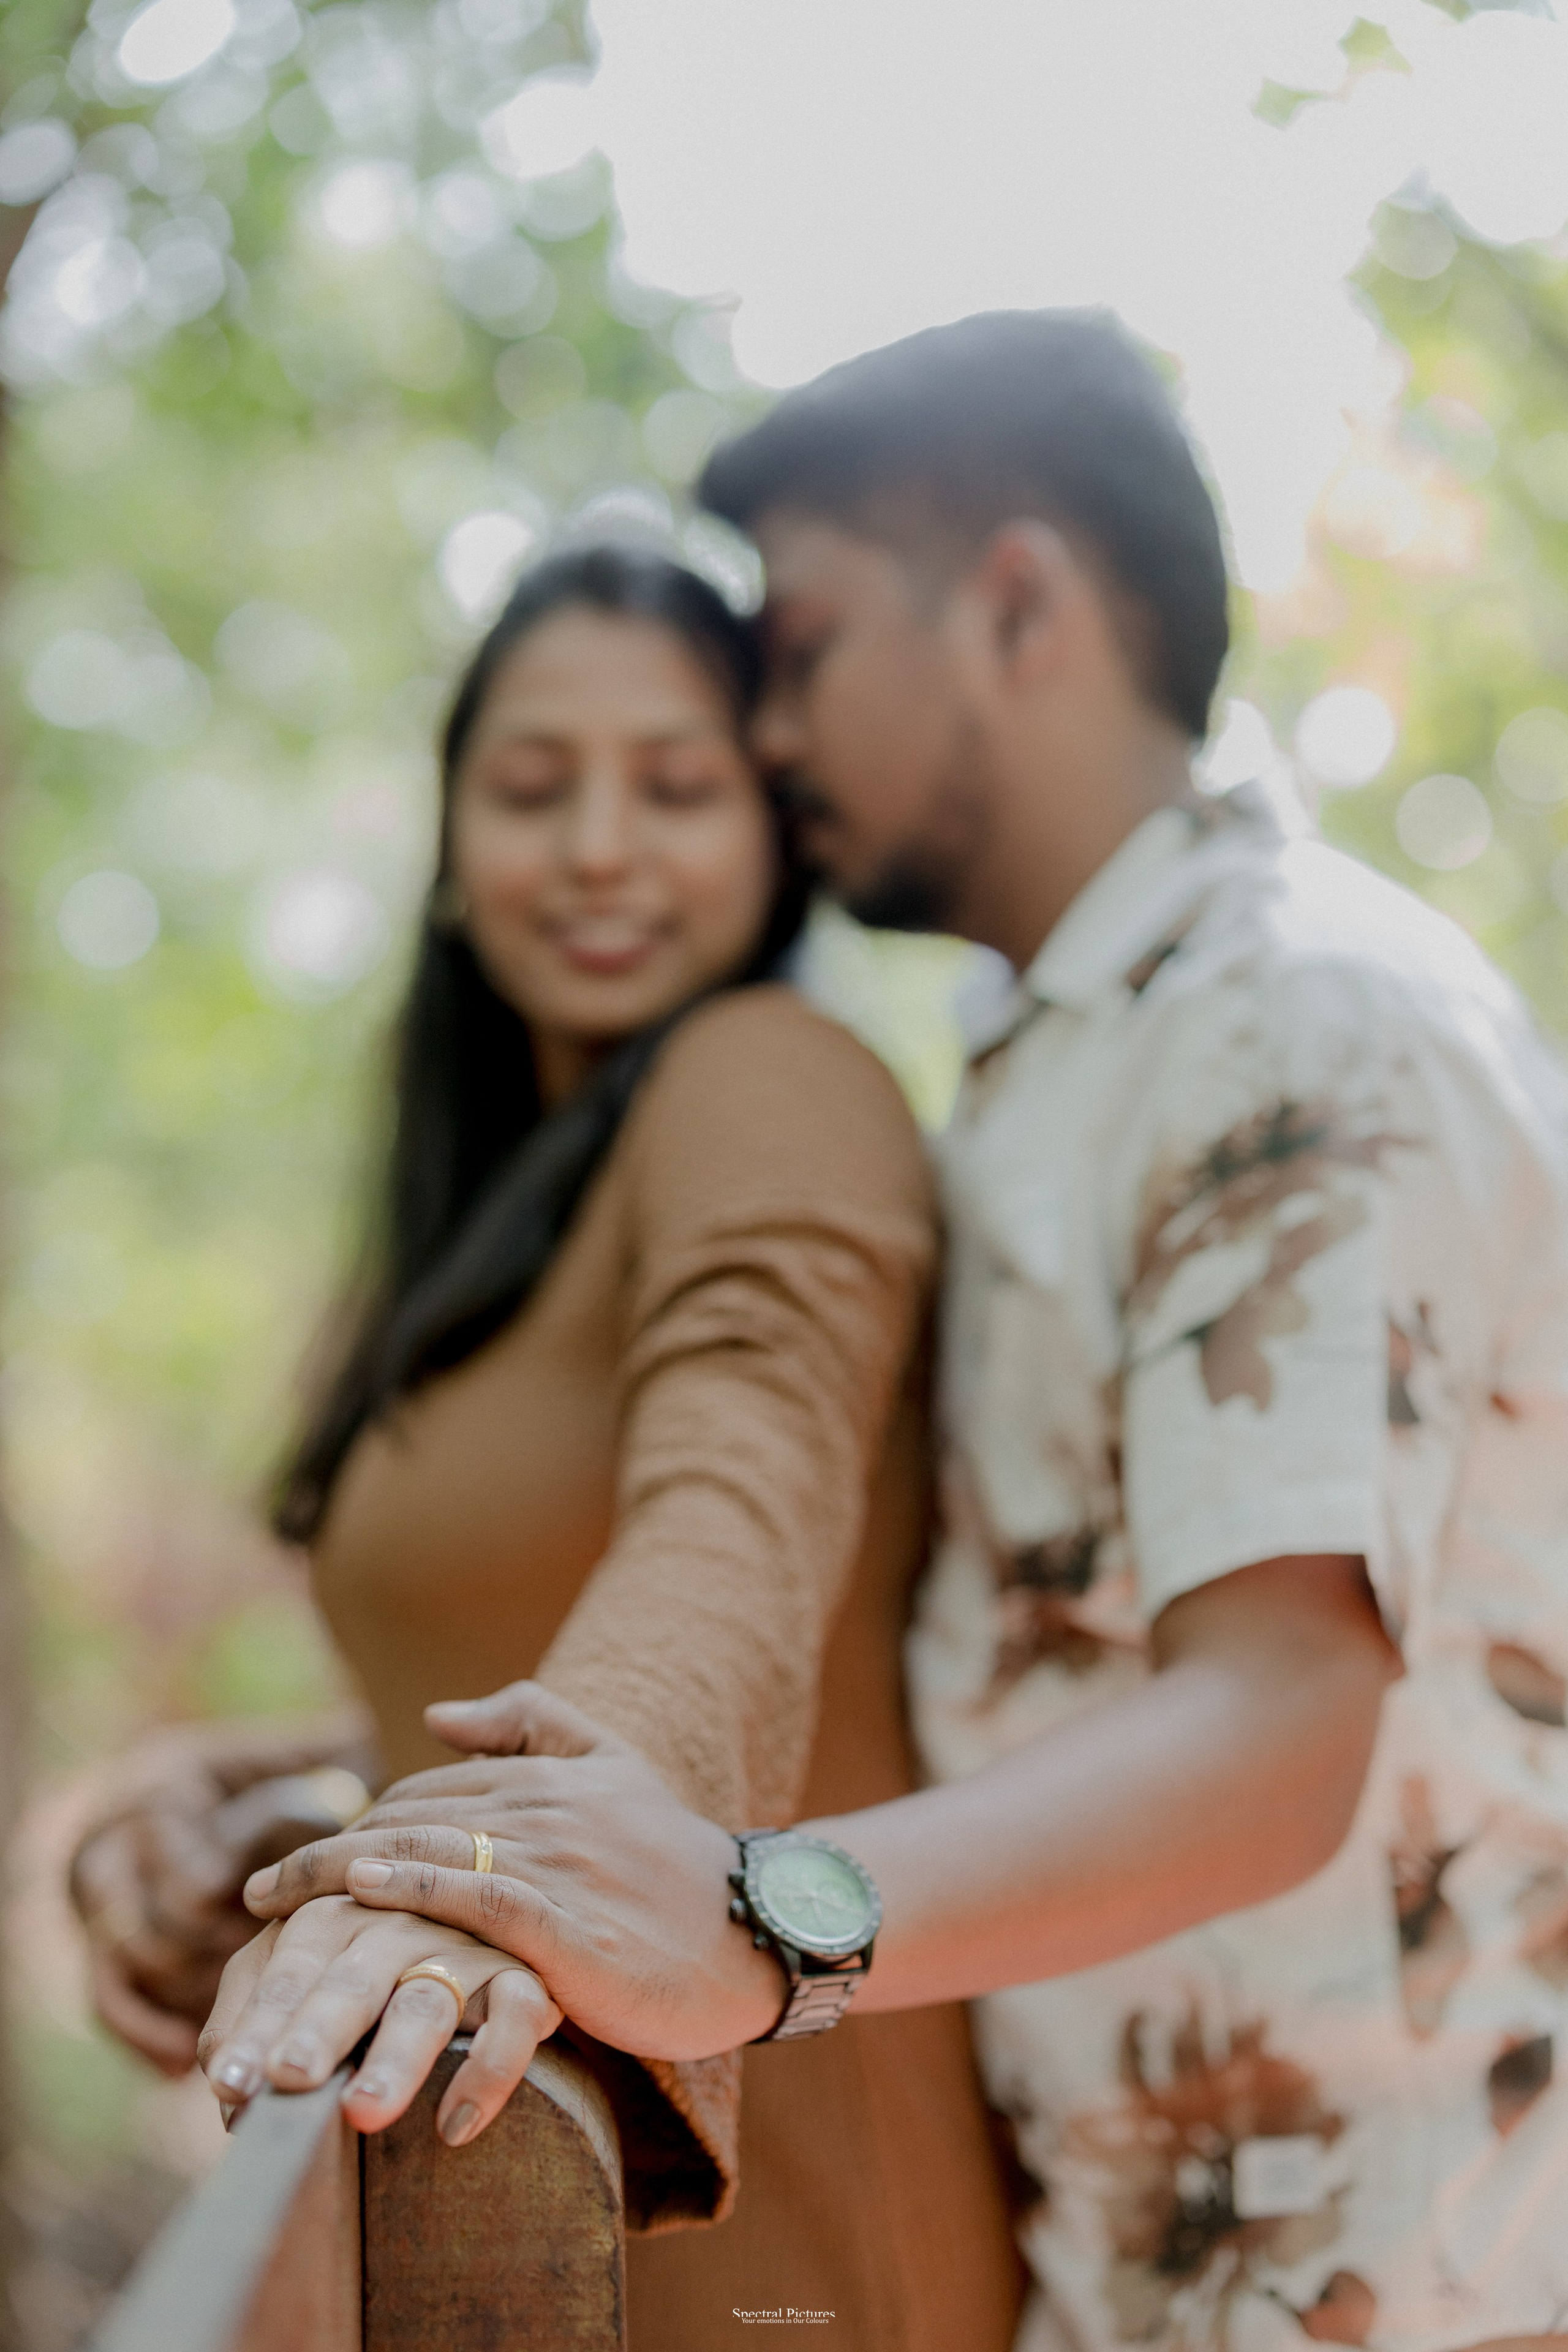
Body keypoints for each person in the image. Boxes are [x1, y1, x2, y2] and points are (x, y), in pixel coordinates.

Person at [230, 312, 1568, 2351]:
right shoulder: (1054, 1064)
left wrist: (752, 1916)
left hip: (1409, 2276)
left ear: (1017, 605)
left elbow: (1279, 1723)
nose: (772, 738)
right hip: (1149, 2268)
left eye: (806, 654)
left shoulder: (1295, 1014)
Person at [73, 543, 1024, 2351]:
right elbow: (492, 1647)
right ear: (453, 845)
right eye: (531, 788)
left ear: (777, 840)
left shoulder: (770, 1073)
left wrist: (519, 1859)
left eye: (675, 788)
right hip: (487, 2205)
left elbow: (741, 1496)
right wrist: (274, 1798)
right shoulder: (492, 1218)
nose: (598, 847)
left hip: (779, 2237)